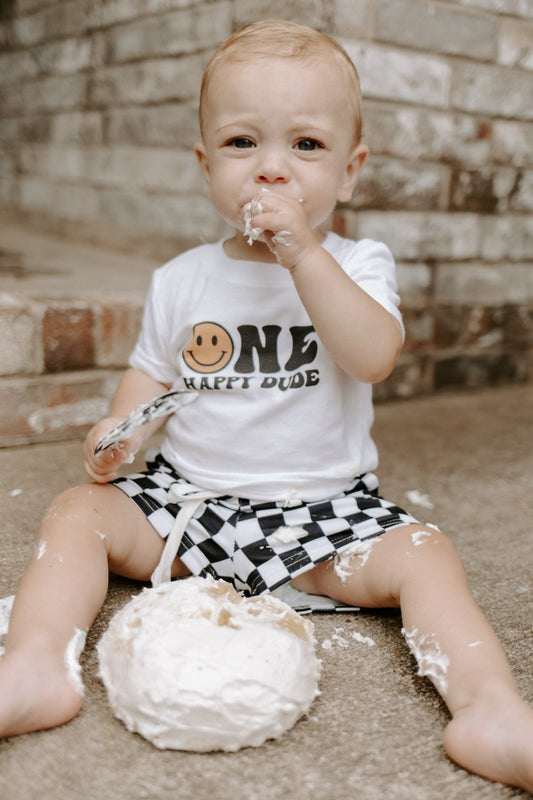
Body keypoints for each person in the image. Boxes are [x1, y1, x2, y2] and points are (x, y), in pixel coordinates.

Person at [1, 19, 532, 791]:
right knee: (76, 513)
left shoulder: (355, 263)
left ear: (348, 173)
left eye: (306, 147)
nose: (272, 171)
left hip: (321, 520)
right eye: (243, 144)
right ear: (205, 164)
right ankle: (34, 666)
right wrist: (116, 436)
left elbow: (372, 354)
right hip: (188, 510)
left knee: (426, 557)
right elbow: (150, 375)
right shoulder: (181, 278)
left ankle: (490, 711)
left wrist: (305, 256)